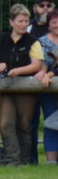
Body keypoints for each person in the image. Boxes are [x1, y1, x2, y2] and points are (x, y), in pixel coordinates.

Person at [0, 4, 42, 167]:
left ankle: (23, 160)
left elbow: (37, 65)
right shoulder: (0, 39)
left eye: (25, 21)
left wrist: (17, 71)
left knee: (23, 124)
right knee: (6, 124)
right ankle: (11, 160)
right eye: (20, 21)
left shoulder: (33, 41)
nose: (24, 24)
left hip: (26, 87)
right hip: (5, 87)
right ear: (12, 22)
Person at [35, 12, 58, 165]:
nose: (57, 25)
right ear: (49, 24)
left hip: (52, 77)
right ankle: (51, 162)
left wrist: (49, 73)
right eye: (54, 22)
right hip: (48, 89)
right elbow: (41, 63)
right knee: (51, 122)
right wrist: (43, 72)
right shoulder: (41, 41)